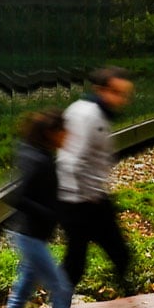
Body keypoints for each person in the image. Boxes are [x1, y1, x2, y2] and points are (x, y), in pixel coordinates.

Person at [58, 66, 136, 295]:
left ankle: (123, 295)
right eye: (116, 93)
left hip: (88, 198)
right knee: (82, 260)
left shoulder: (89, 111)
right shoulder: (89, 115)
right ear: (99, 89)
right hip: (82, 201)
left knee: (90, 257)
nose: (122, 100)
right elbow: (70, 159)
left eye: (124, 94)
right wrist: (80, 198)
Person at [4, 110, 73, 308]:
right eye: (65, 132)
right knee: (62, 290)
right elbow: (17, 197)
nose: (68, 136)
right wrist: (51, 214)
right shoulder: (38, 160)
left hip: (33, 235)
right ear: (52, 132)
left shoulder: (39, 155)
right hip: (30, 236)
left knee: (22, 290)